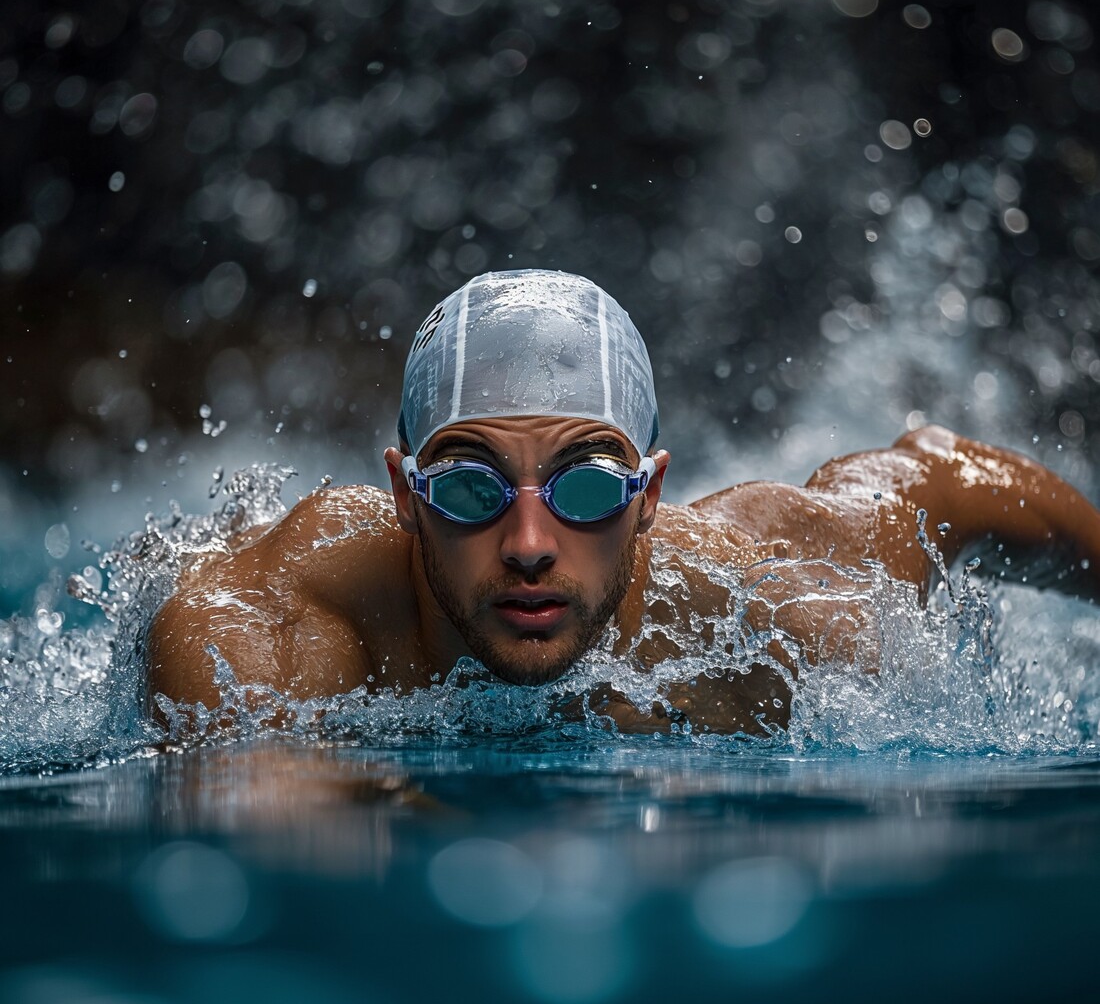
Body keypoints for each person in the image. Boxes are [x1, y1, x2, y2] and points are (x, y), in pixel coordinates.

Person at [147, 269, 1100, 733]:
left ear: (651, 497)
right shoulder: (264, 635)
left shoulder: (785, 605)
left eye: (590, 487)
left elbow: (939, 479)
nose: (529, 543)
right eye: (471, 484)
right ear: (405, 494)